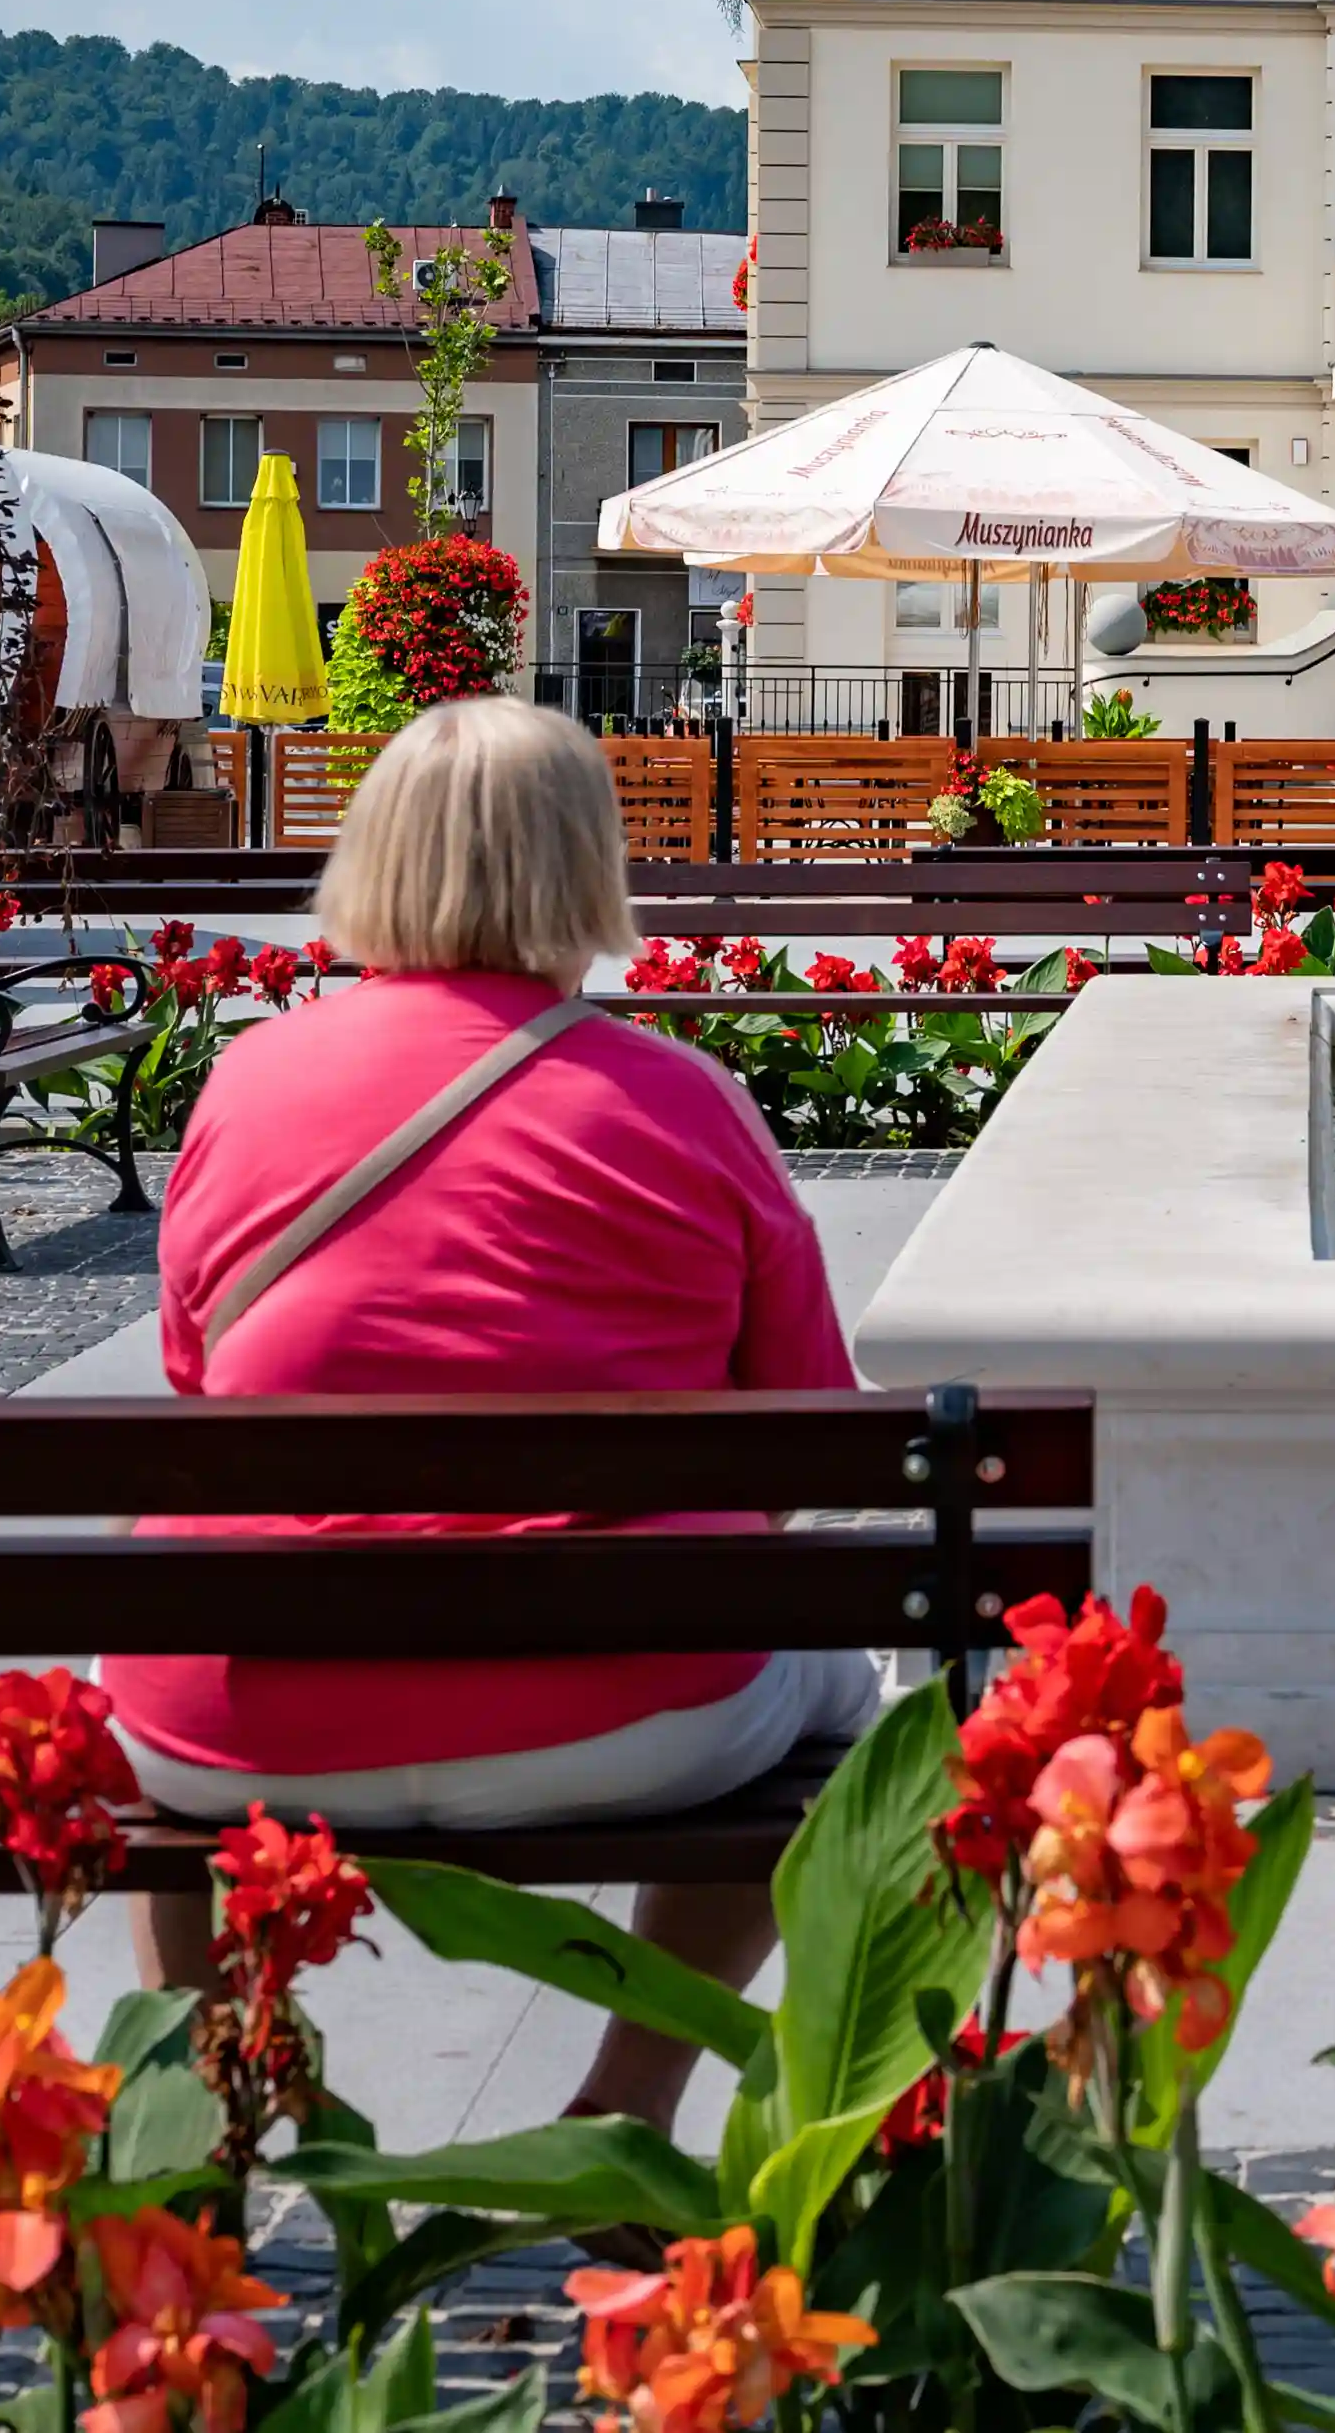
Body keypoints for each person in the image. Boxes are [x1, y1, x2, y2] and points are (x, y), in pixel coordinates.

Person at [104, 696, 867, 2131]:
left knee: (156, 1626)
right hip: (624, 1712)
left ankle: (212, 2112)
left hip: (237, 1719)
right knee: (839, 1705)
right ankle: (625, 2106)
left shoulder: (250, 1081)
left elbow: (200, 1383)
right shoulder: (682, 1100)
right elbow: (805, 1436)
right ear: (590, 865)